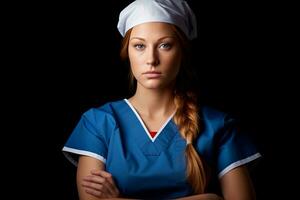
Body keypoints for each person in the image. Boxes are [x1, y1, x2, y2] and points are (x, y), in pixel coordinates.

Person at [62, 0, 261, 199]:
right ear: (127, 52)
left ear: (182, 52)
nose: (151, 59)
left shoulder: (218, 125)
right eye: (139, 45)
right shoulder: (97, 122)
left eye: (165, 45)